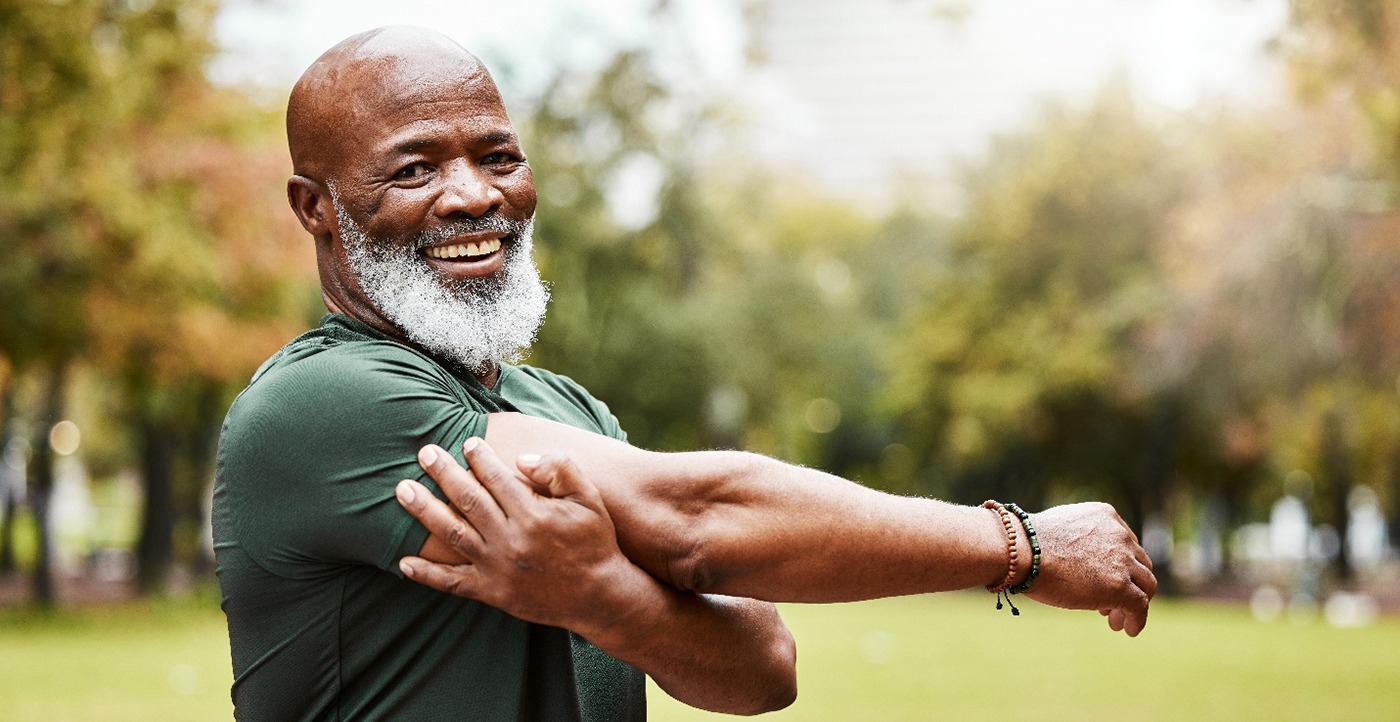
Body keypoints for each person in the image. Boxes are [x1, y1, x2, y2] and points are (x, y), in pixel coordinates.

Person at [213, 25, 1155, 722]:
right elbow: (698, 519)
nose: (474, 195)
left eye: (498, 156)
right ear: (317, 207)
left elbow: (762, 668)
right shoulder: (319, 404)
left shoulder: (562, 408)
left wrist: (601, 595)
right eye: (414, 169)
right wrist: (1020, 546)